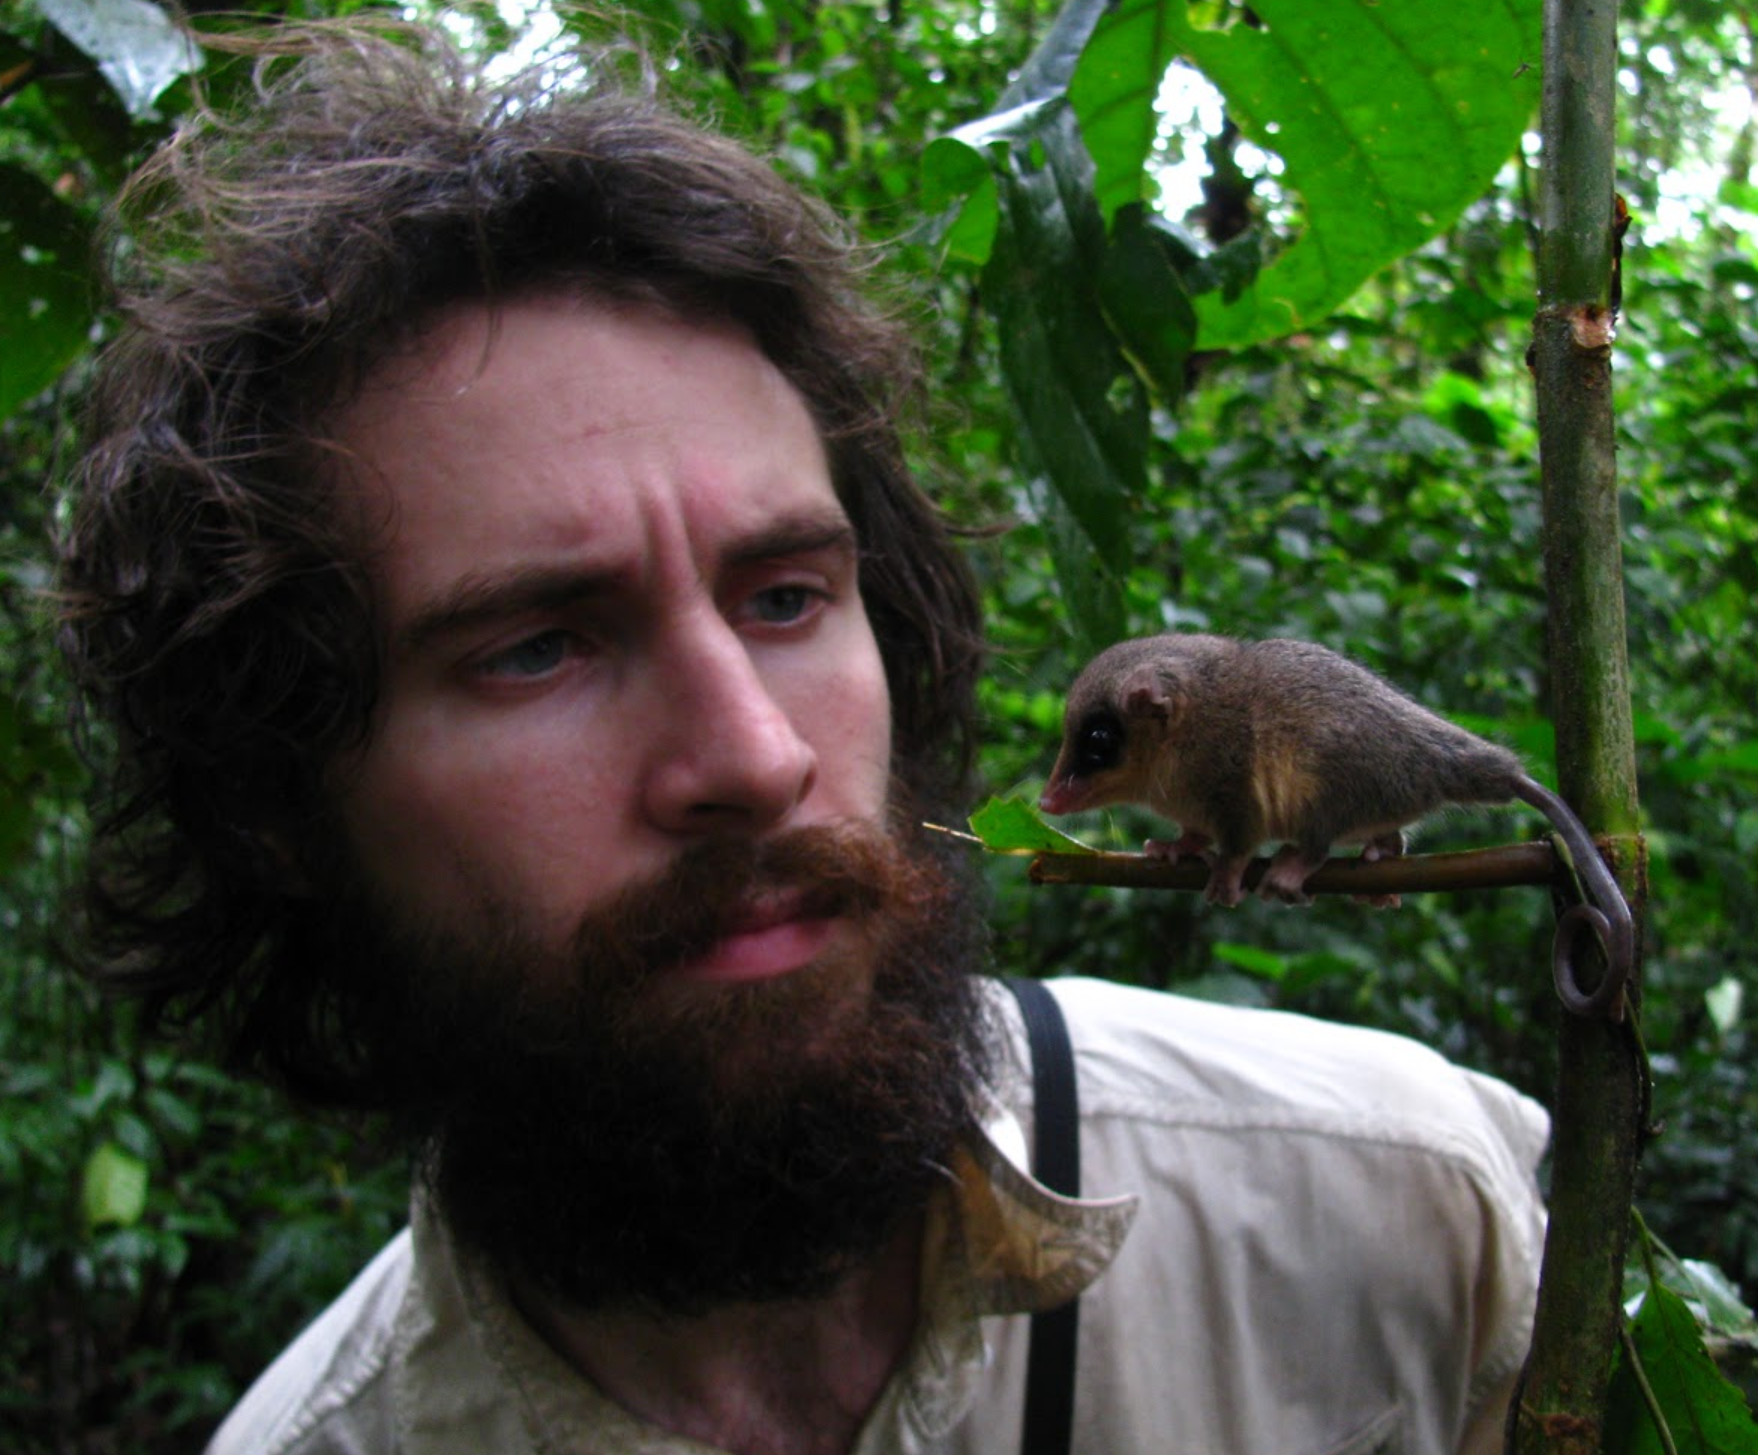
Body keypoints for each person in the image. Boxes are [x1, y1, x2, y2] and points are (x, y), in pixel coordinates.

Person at [57, 20, 1549, 1455]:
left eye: (784, 597)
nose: (759, 760)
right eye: (534, 647)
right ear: (275, 804)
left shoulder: (1409, 1218)